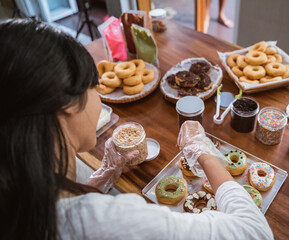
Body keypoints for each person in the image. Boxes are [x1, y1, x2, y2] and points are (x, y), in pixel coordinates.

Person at [0, 19, 273, 240]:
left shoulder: (18, 192)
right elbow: (255, 231)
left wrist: (101, 178)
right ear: (67, 104)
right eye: (94, 88)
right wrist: (204, 153)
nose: (98, 97)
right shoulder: (111, 222)